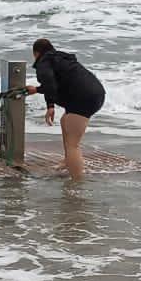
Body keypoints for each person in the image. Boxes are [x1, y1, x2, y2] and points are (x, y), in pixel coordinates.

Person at [25, 38, 105, 180]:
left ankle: (76, 183)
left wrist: (49, 105)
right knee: (65, 121)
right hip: (95, 93)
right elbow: (56, 83)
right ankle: (67, 161)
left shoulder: (44, 63)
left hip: (83, 99)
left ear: (36, 54)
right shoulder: (61, 58)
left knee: (73, 145)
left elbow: (49, 83)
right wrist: (38, 91)